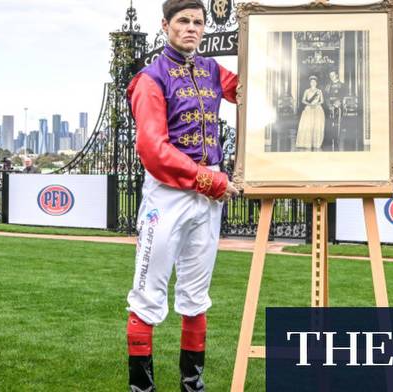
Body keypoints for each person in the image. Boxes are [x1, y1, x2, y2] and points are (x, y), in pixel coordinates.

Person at [124, 1, 239, 391]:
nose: (191, 28)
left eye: (198, 22)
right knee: (147, 296)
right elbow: (154, 151)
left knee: (196, 295)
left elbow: (251, 90)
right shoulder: (150, 78)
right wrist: (212, 180)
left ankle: (193, 385)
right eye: (183, 21)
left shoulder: (210, 70)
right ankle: (142, 389)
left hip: (207, 201)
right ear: (165, 26)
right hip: (167, 197)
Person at [295, 75, 325, 151]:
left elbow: (322, 101)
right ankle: (307, 143)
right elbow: (303, 100)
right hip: (309, 108)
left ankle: (316, 143)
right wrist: (309, 104)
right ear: (310, 83)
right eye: (312, 82)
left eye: (314, 82)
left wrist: (316, 104)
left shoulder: (319, 91)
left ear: (316, 83)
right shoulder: (307, 91)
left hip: (317, 108)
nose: (313, 83)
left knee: (317, 125)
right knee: (308, 125)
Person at [324, 71, 345, 150]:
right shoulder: (328, 85)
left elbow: (342, 96)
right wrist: (329, 105)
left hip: (338, 107)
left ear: (336, 75)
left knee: (337, 124)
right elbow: (326, 96)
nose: (331, 76)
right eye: (330, 75)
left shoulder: (342, 85)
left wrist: (337, 104)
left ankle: (336, 140)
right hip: (329, 107)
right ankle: (329, 140)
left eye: (333, 75)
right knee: (329, 124)